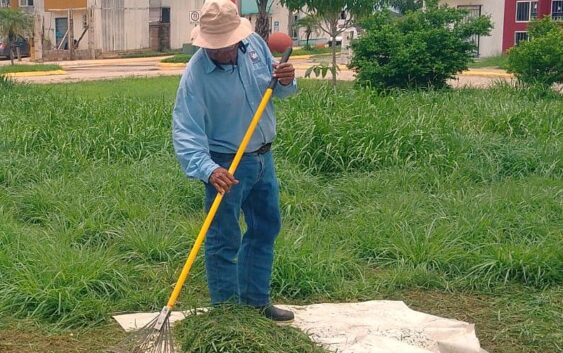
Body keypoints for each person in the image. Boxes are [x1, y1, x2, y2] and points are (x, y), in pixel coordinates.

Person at [172, 0, 297, 322]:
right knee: (223, 238)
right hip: (225, 164)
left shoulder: (253, 44)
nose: (224, 51)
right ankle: (227, 316)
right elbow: (186, 130)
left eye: (228, 44)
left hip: (262, 158)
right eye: (216, 47)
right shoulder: (196, 75)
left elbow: (276, 92)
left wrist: (284, 80)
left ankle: (256, 303)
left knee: (265, 229)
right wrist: (209, 169)